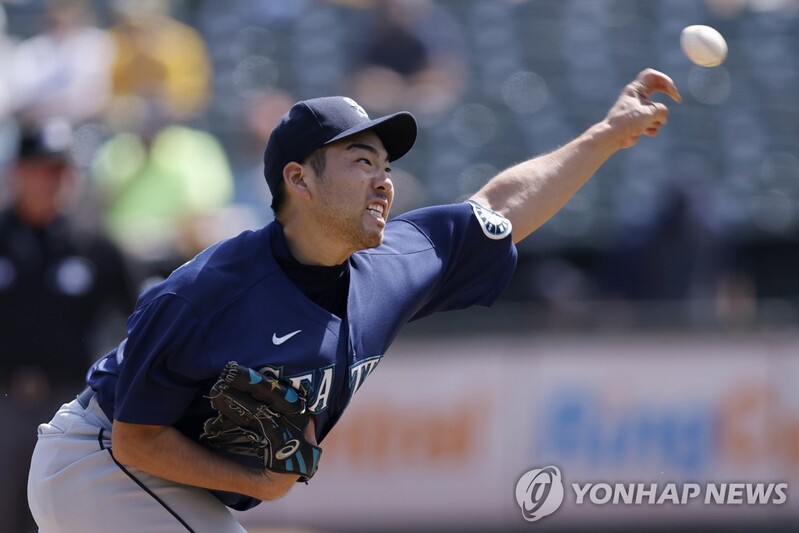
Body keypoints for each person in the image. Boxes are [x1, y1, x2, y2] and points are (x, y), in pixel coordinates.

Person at [27, 69, 681, 531]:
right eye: (361, 161)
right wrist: (259, 481)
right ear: (299, 179)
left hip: (154, 478)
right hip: (99, 457)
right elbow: (137, 436)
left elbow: (498, 207)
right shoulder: (207, 292)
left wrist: (605, 134)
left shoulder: (394, 264)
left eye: (387, 167)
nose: (384, 182)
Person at [0, 120, 137, 532]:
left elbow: (144, 314)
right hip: (3, 403)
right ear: (17, 173)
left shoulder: (95, 244)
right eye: (43, 168)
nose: (55, 180)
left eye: (63, 169)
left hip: (69, 407)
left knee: (64, 518)